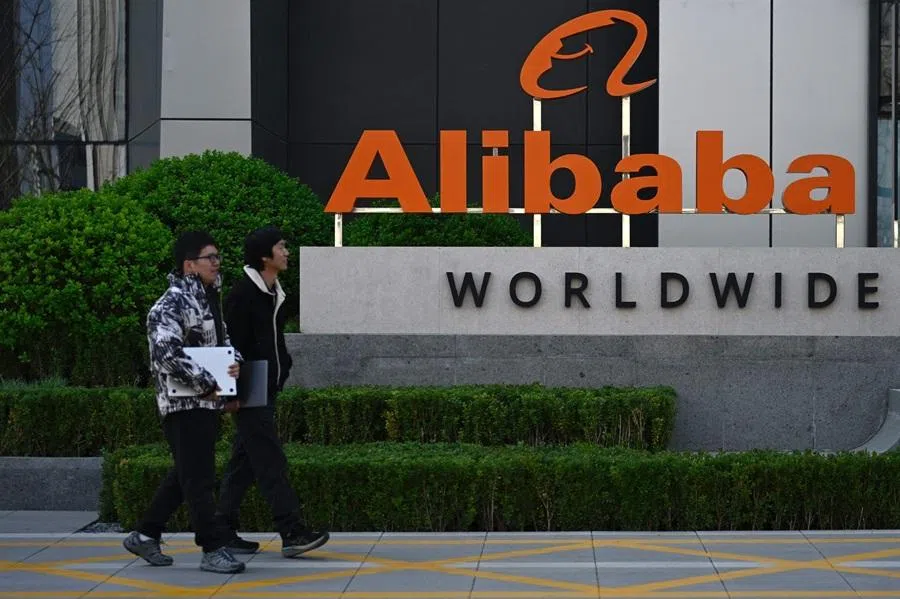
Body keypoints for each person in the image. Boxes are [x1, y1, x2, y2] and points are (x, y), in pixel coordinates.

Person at [122, 231, 246, 574]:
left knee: (186, 474)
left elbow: (223, 341)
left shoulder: (207, 300)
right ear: (189, 265)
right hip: (182, 405)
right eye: (210, 257)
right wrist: (208, 383)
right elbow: (166, 355)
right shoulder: (169, 305)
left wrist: (234, 363)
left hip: (206, 402)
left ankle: (145, 534)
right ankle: (212, 547)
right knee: (198, 479)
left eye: (218, 257)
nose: (217, 263)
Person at [214, 225, 329, 558]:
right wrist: (230, 394)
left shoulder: (272, 292)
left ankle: (221, 529)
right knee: (269, 459)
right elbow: (228, 345)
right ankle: (291, 530)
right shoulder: (243, 295)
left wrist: (284, 368)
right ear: (265, 256)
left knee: (244, 463)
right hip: (249, 389)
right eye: (281, 247)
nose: (287, 252)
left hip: (266, 386)